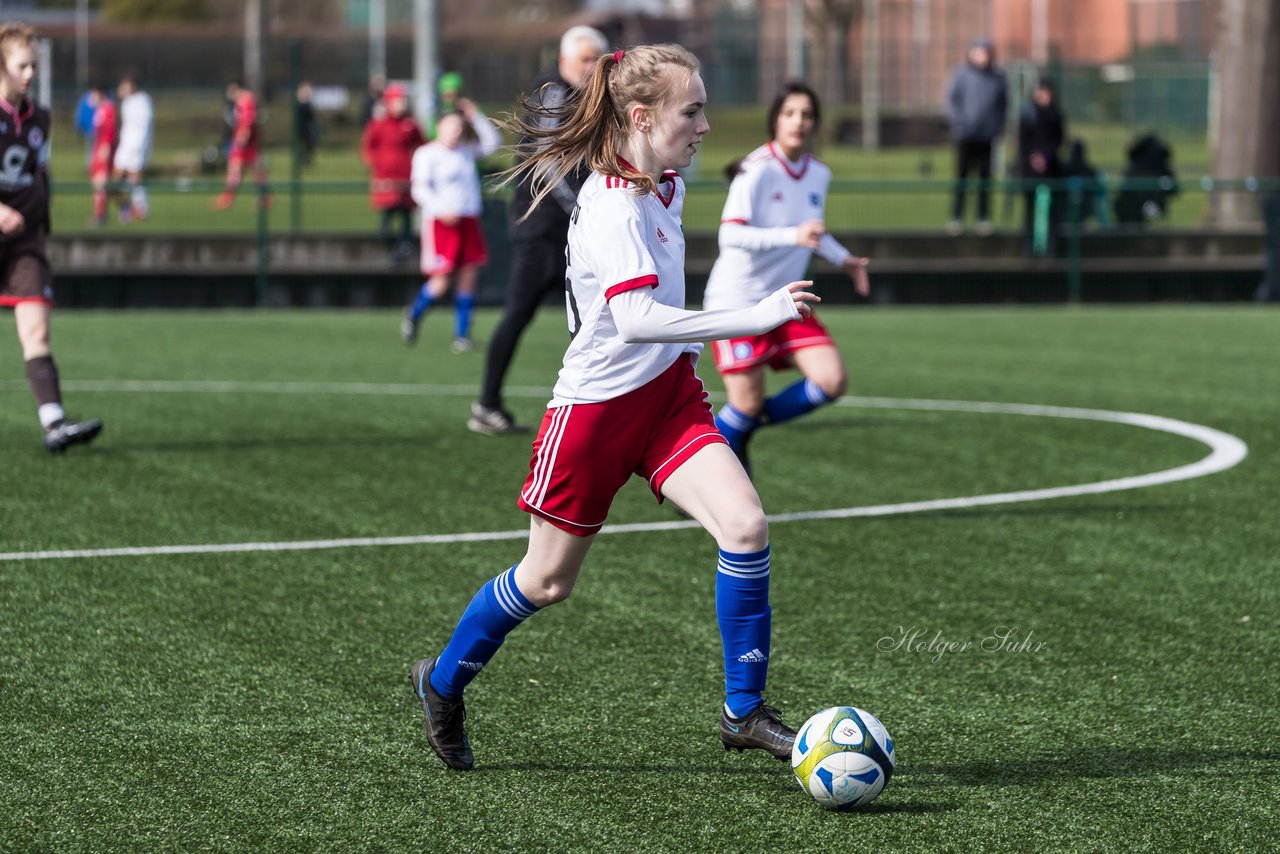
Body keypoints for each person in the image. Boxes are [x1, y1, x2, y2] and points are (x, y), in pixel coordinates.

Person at [409, 43, 818, 771]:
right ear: (640, 116)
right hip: (595, 413)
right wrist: (752, 317)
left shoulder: (666, 185)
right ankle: (441, 684)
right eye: (691, 111)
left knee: (746, 525)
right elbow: (635, 320)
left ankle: (743, 711)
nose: (704, 126)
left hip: (667, 401)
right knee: (547, 581)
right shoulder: (610, 205)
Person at [702, 81, 870, 477]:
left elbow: (811, 230)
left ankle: (737, 433)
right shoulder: (754, 169)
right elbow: (731, 236)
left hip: (788, 300)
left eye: (807, 115)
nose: (798, 122)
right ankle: (711, 467)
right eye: (789, 113)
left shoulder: (819, 174)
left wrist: (844, 259)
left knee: (832, 380)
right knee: (744, 402)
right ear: (775, 119)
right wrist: (790, 236)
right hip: (737, 303)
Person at [467, 25, 608, 435]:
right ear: (564, 61)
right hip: (541, 227)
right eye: (584, 59)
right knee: (521, 312)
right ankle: (488, 403)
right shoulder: (554, 94)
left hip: (565, 227)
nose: (591, 67)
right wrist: (586, 206)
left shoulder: (584, 96)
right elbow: (550, 164)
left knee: (596, 317)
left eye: (596, 60)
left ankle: (599, 407)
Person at [0, 23, 102, 452]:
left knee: (37, 332)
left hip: (24, 243)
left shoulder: (40, 118)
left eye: (33, 66)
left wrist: (41, 224)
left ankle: (54, 424)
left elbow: (41, 174)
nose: (29, 74)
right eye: (22, 65)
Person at [402, 98, 500, 352]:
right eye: (450, 127)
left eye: (458, 127)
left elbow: (493, 142)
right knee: (441, 281)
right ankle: (414, 313)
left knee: (468, 277)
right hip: (441, 223)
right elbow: (419, 190)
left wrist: (475, 115)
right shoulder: (427, 154)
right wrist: (440, 209)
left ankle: (462, 335)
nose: (455, 132)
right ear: (439, 127)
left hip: (468, 220)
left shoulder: (466, 150)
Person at [945, 37, 1008, 235]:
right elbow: (951, 102)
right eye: (979, 53)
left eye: (986, 53)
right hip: (965, 135)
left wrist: (996, 126)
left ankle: (983, 218)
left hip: (987, 136)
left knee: (985, 179)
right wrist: (960, 123)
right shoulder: (961, 75)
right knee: (962, 178)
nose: (982, 57)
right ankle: (957, 217)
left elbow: (1003, 106)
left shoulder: (998, 77)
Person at [360, 82, 425, 264]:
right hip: (385, 176)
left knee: (405, 214)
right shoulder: (379, 124)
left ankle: (403, 248)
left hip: (405, 175)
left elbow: (422, 144)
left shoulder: (410, 124)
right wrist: (374, 163)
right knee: (388, 214)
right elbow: (368, 146)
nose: (401, 104)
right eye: (398, 100)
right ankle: (391, 245)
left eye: (403, 100)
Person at [1017, 77, 1065, 257]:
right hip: (1030, 170)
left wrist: (1045, 156)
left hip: (1050, 169)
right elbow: (1023, 142)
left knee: (1052, 210)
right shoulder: (1028, 114)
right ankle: (1028, 249)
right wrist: (1033, 158)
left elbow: (1058, 140)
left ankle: (1051, 249)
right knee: (1029, 210)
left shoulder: (1056, 114)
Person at [213, 81, 268, 211]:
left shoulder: (245, 101)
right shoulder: (244, 101)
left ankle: (263, 197)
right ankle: (229, 198)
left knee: (247, 170)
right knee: (240, 169)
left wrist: (241, 139)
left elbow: (247, 121)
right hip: (247, 142)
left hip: (246, 143)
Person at [112, 75, 153, 223]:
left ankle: (141, 208)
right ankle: (128, 207)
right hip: (125, 146)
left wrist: (139, 147)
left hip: (136, 146)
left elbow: (144, 126)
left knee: (134, 176)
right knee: (114, 182)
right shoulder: (126, 103)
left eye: (123, 86)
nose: (120, 89)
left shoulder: (142, 101)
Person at [87, 84, 116, 228]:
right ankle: (123, 209)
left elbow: (110, 129)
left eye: (92, 94)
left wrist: (106, 146)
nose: (90, 98)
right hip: (97, 149)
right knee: (100, 185)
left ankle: (99, 216)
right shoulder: (99, 110)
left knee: (101, 184)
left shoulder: (108, 108)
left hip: (103, 150)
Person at [295, 81, 320, 167]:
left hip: (307, 127)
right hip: (301, 126)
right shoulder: (300, 103)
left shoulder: (308, 103)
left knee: (310, 144)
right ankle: (302, 159)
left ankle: (306, 159)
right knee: (302, 144)